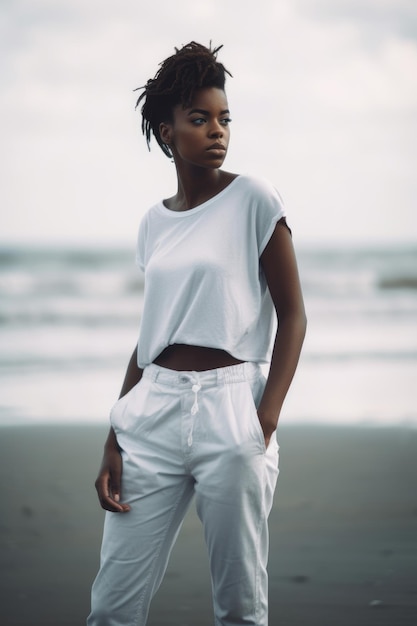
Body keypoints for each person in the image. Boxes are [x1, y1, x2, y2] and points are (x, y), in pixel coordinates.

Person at [87, 41, 306, 626]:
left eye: (224, 118)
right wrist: (117, 429)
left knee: (239, 607)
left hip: (233, 407)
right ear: (166, 133)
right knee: (111, 606)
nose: (217, 131)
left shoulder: (255, 199)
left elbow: (294, 315)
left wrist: (264, 418)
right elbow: (151, 334)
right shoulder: (153, 222)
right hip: (151, 411)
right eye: (200, 118)